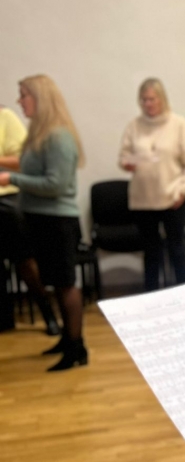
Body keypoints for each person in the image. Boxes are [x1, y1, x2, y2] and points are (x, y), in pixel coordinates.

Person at [0, 76, 87, 370]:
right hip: (42, 219)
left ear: (40, 98)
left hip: (59, 220)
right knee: (57, 282)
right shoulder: (40, 134)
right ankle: (67, 339)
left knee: (66, 283)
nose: (19, 101)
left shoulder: (59, 136)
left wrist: (11, 179)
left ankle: (76, 348)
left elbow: (56, 184)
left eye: (24, 95)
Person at [119, 78, 185, 292]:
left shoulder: (179, 124)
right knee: (151, 252)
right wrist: (128, 163)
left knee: (177, 250)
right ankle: (152, 296)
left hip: (172, 197)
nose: (148, 104)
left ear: (162, 99)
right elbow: (124, 156)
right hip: (143, 199)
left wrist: (183, 190)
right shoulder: (134, 126)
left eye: (152, 99)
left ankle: (184, 294)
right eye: (144, 100)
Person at [0, 103, 61, 335]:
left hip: (7, 199)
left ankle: (49, 316)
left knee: (26, 262)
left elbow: (23, 160)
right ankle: (5, 319)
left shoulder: (5, 118)